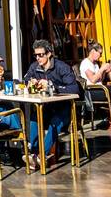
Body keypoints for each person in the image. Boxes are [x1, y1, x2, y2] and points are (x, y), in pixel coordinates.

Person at [21, 40, 79, 168]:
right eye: (36, 55)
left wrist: (52, 86)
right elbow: (25, 81)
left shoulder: (62, 67)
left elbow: (74, 89)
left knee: (55, 122)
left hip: (64, 108)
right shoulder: (34, 67)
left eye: (41, 55)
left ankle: (41, 155)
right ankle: (34, 154)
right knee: (34, 119)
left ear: (49, 54)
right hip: (46, 107)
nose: (38, 58)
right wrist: (31, 83)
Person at [79, 41, 111, 137]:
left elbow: (100, 79)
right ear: (93, 51)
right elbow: (93, 80)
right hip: (91, 92)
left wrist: (105, 72)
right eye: (100, 53)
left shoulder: (95, 64)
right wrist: (102, 69)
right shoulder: (86, 63)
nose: (100, 56)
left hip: (99, 88)